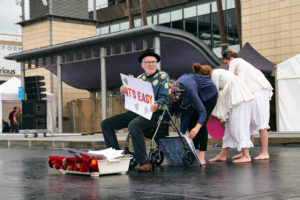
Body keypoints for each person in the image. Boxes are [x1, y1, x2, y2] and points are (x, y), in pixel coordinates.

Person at [101, 49, 170, 172]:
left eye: (153, 62)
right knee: (106, 123)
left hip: (153, 112)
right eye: (147, 62)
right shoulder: (139, 78)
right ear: (142, 65)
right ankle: (117, 155)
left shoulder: (163, 76)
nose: (151, 64)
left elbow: (165, 98)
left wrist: (157, 104)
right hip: (137, 111)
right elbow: (132, 99)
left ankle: (144, 161)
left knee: (134, 125)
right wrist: (125, 92)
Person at [192, 63, 255, 163]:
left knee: (239, 125)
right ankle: (223, 155)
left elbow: (214, 94)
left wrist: (212, 113)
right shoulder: (217, 73)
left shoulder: (215, 75)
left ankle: (246, 155)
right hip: (236, 98)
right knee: (230, 127)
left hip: (239, 99)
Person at [222, 49, 273, 160]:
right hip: (254, 92)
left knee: (261, 123)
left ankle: (265, 152)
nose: (226, 66)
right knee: (248, 122)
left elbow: (230, 79)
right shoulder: (242, 64)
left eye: (226, 63)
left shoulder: (236, 62)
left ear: (230, 59)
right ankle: (245, 152)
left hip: (259, 91)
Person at [167, 69, 218, 165]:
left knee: (200, 124)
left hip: (208, 94)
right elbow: (169, 111)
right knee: (191, 120)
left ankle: (202, 156)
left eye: (172, 98)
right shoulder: (175, 93)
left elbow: (203, 112)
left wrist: (197, 128)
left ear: (177, 93)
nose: (171, 101)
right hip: (197, 92)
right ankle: (196, 151)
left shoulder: (189, 89)